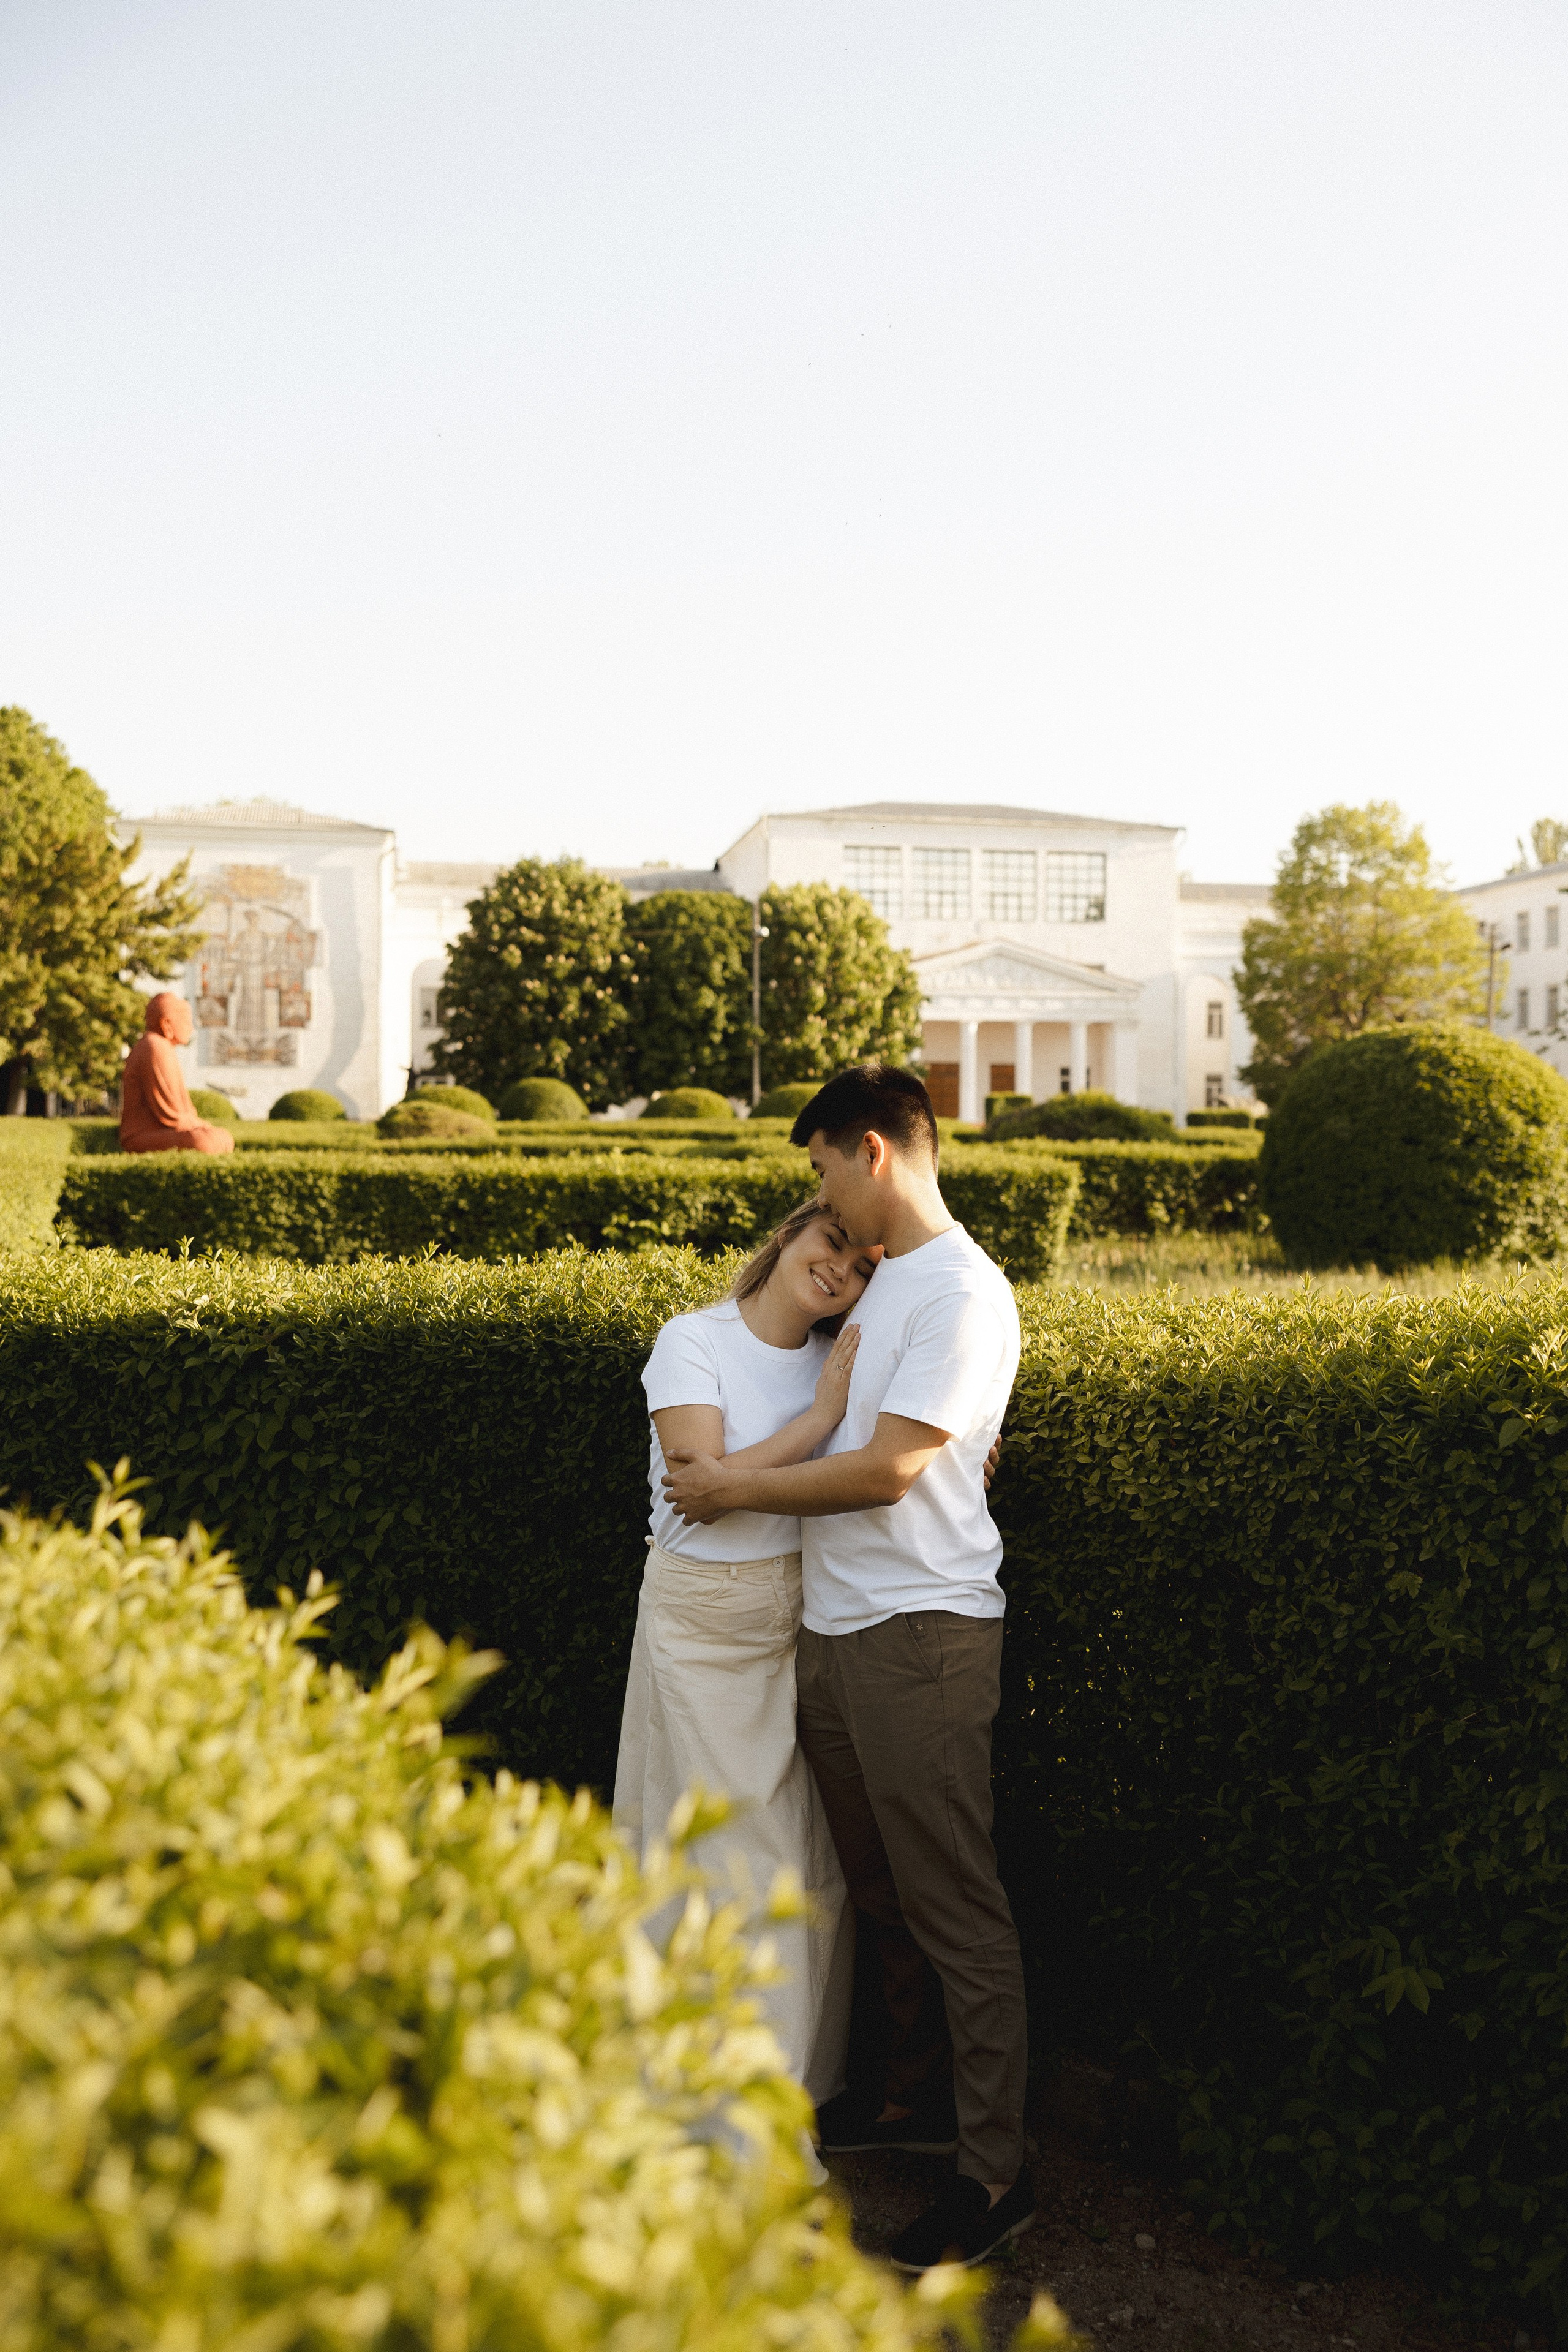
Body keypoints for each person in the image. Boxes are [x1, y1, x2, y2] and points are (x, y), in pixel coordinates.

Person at [661, 1062, 1028, 2275]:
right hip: (835, 1630)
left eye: (821, 1166)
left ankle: (991, 2177)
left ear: (870, 1152)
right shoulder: (887, 1286)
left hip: (920, 1638)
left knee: (953, 1908)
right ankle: (910, 2107)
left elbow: (887, 1470)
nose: (817, 1190)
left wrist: (736, 1488)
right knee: (881, 1899)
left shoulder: (960, 1292)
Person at [612, 1199, 882, 2152]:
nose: (838, 1270)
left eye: (858, 1268)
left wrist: (961, 1455)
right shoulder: (694, 1340)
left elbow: (872, 1471)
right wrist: (819, 1420)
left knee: (807, 1868)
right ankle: (716, 2121)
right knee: (722, 1860)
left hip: (795, 1622)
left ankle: (787, 2093)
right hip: (699, 1625)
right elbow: (704, 1489)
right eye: (830, 1243)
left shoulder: (833, 1365)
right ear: (790, 1237)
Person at [119, 994, 235, 1155]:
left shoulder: (161, 1046)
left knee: (217, 1137)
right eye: (186, 1022)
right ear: (166, 1023)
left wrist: (199, 1124)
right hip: (140, 1137)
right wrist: (199, 1127)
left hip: (159, 1132)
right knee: (202, 1141)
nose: (191, 1029)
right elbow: (172, 1115)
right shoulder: (154, 1046)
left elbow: (183, 1112)